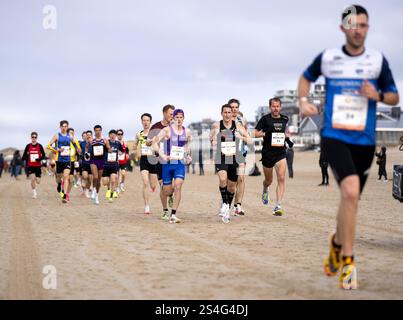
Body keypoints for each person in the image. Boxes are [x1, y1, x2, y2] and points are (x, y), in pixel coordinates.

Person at [298, 5, 399, 290]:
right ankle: (349, 263)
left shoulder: (377, 60)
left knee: (350, 199)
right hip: (334, 135)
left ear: (368, 28)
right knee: (351, 191)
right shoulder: (328, 58)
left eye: (363, 25)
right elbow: (305, 78)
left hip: (364, 140)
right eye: (353, 25)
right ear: (343, 27)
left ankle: (337, 242)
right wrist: (304, 100)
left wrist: (377, 94)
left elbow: (393, 96)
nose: (358, 30)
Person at [210, 104, 251, 223]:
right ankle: (224, 203)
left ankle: (228, 206)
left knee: (232, 186)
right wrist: (213, 140)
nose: (227, 115)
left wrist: (241, 137)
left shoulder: (238, 126)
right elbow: (210, 138)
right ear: (221, 113)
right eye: (225, 112)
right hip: (221, 157)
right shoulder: (217, 125)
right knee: (223, 179)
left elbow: (250, 140)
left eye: (229, 112)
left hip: (234, 158)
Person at [254, 97, 293, 216]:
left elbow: (284, 132)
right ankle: (265, 189)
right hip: (267, 154)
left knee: (281, 178)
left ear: (280, 107)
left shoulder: (285, 119)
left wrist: (287, 137)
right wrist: (265, 133)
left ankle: (278, 206)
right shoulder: (265, 119)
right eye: (273, 106)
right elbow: (255, 133)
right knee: (269, 180)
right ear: (270, 107)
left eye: (277, 106)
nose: (276, 108)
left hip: (281, 153)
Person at [152, 109, 193, 223]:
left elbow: (188, 144)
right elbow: (154, 143)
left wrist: (188, 155)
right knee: (167, 191)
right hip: (167, 164)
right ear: (173, 119)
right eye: (177, 117)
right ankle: (169, 197)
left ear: (183, 119)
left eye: (181, 117)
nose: (179, 119)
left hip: (179, 163)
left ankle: (173, 214)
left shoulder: (187, 132)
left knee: (178, 185)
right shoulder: (167, 131)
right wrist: (163, 155)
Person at [147, 104, 175, 220]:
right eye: (170, 114)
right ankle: (164, 210)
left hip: (173, 159)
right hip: (160, 160)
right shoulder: (156, 126)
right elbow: (149, 141)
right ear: (164, 113)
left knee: (173, 185)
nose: (172, 116)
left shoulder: (176, 126)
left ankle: (171, 195)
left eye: (174, 114)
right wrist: (149, 142)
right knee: (163, 187)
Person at [133, 113, 158, 215]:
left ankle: (153, 188)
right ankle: (147, 206)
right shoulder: (139, 134)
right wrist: (135, 148)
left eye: (147, 120)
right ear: (141, 121)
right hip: (144, 159)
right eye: (144, 120)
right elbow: (135, 144)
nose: (145, 122)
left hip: (153, 159)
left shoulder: (155, 133)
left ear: (150, 122)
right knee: (145, 182)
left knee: (153, 185)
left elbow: (160, 144)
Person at [229, 98, 250, 216]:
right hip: (227, 155)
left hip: (240, 153)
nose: (234, 109)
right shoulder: (224, 121)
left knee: (241, 178)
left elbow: (247, 135)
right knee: (230, 182)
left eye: (236, 107)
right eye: (232, 107)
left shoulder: (242, 120)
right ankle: (226, 203)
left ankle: (238, 206)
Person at [47, 120, 75, 203]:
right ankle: (59, 184)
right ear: (60, 127)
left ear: (67, 127)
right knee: (59, 178)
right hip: (59, 160)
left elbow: (75, 144)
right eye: (63, 126)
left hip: (67, 160)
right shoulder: (57, 136)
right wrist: (57, 149)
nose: (64, 128)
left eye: (66, 126)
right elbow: (48, 146)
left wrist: (76, 150)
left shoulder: (70, 136)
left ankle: (65, 195)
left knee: (66, 177)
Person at [88, 125, 112, 205]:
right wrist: (87, 151)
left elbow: (109, 148)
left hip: (101, 161)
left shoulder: (104, 140)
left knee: (99, 180)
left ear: (101, 131)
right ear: (94, 131)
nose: (98, 132)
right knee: (95, 177)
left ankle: (97, 195)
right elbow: (87, 148)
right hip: (93, 160)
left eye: (99, 130)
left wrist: (109, 149)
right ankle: (94, 190)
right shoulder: (92, 140)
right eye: (96, 130)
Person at [21, 132, 46, 198]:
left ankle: (37, 178)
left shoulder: (39, 146)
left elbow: (43, 155)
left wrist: (39, 159)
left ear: (36, 138)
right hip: (30, 165)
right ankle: (34, 193)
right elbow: (24, 156)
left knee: (38, 181)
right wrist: (26, 159)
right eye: (32, 137)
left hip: (38, 166)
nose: (34, 138)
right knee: (32, 179)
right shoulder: (28, 146)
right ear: (31, 137)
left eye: (35, 137)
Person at [102, 130, 125, 202]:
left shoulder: (118, 143)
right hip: (106, 165)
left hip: (114, 165)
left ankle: (111, 196)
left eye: (114, 135)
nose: (112, 136)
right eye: (111, 134)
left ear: (115, 136)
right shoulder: (105, 143)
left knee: (113, 180)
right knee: (105, 182)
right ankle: (108, 189)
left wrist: (121, 153)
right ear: (109, 135)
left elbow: (122, 151)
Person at [66, 128, 82, 197]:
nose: (71, 134)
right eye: (70, 133)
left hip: (72, 162)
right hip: (64, 161)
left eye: (72, 133)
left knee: (71, 180)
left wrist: (75, 146)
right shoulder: (64, 141)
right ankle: (63, 189)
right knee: (65, 177)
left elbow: (79, 152)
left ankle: (67, 194)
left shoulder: (76, 142)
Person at [80, 131, 94, 198]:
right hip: (84, 163)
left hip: (92, 163)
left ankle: (87, 190)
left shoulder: (94, 143)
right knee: (85, 177)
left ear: (91, 136)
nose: (88, 136)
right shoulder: (82, 143)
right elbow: (79, 152)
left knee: (90, 178)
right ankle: (83, 184)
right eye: (87, 135)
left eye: (89, 135)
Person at [117, 129, 130, 193]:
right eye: (118, 134)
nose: (120, 135)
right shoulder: (115, 142)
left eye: (121, 134)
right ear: (117, 135)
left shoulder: (125, 142)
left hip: (123, 161)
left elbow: (127, 150)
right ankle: (117, 187)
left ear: (122, 135)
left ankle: (122, 184)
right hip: (116, 161)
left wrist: (127, 154)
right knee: (118, 174)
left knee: (123, 173)